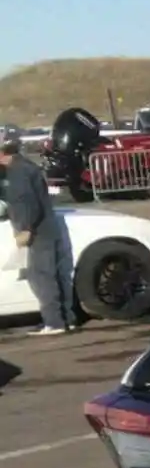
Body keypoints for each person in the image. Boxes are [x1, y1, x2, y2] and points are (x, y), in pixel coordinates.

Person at [1, 128, 75, 334]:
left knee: (40, 276)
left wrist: (25, 228)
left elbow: (25, 202)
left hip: (37, 231)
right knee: (58, 274)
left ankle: (54, 323)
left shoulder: (17, 172)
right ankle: (66, 319)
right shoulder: (25, 166)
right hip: (47, 226)